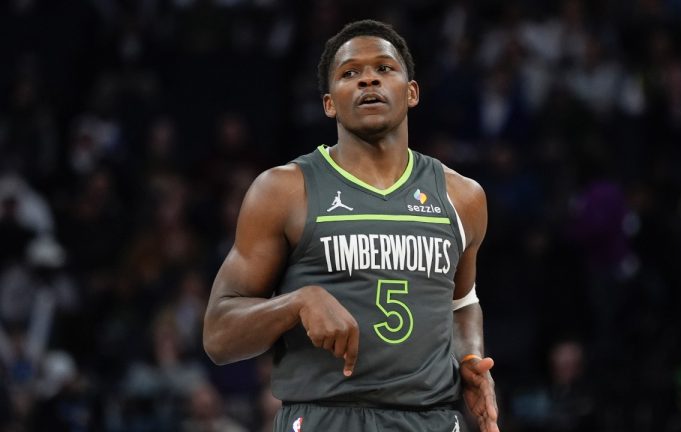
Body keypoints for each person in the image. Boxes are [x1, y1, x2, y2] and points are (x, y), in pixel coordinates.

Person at [203, 19, 498, 432]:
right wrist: (297, 303)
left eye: (384, 68)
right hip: (326, 416)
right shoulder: (284, 190)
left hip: (430, 419)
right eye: (350, 73)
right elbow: (219, 335)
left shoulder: (463, 196)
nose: (368, 80)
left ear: (411, 92)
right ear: (329, 103)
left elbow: (462, 303)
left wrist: (470, 359)